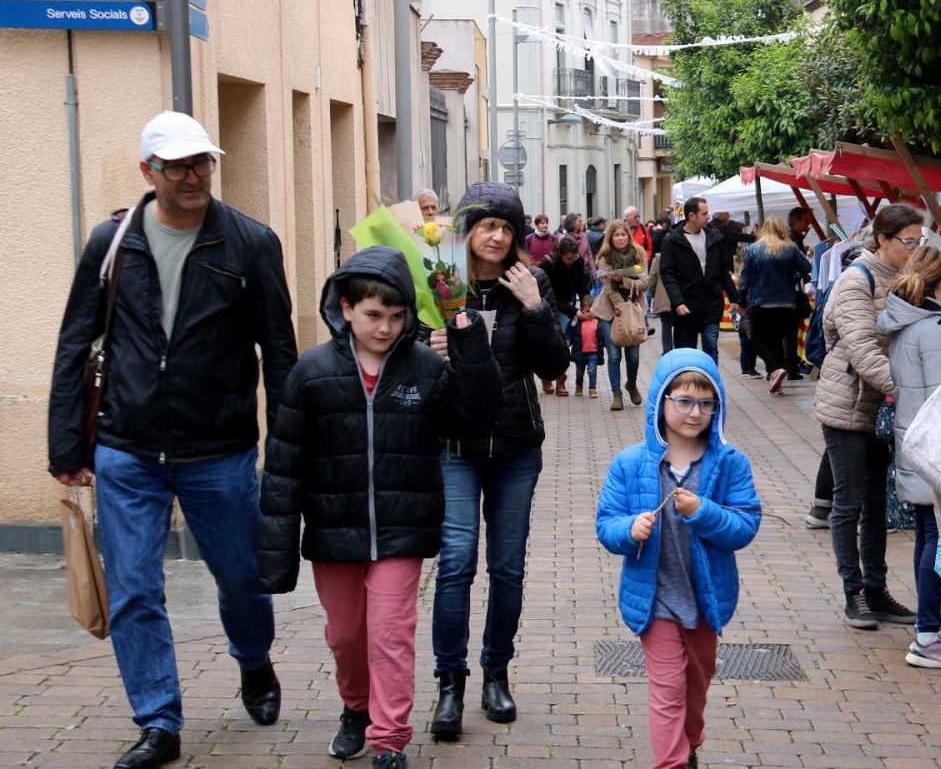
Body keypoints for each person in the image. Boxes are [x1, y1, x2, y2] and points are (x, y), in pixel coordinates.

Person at [48, 111, 296, 769]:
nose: (194, 176)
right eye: (179, 166)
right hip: (126, 446)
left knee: (243, 578)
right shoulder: (112, 242)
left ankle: (253, 659)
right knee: (133, 589)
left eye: (203, 163)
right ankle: (158, 720)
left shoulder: (248, 242)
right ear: (147, 172)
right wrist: (67, 444)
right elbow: (76, 341)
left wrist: (290, 446)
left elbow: (279, 349)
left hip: (218, 448)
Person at [258, 248, 502, 768]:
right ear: (345, 308)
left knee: (390, 635)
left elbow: (476, 418)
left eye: (396, 317)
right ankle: (355, 707)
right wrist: (275, 550)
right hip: (333, 531)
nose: (386, 328)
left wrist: (466, 335)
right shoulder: (312, 371)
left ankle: (389, 739)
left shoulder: (426, 368)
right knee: (346, 636)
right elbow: (283, 464)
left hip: (401, 529)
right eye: (373, 315)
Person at [423, 183, 572, 742]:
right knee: (457, 561)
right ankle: (449, 683)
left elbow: (555, 363)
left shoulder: (531, 284)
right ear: (467, 231)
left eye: (506, 228)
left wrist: (535, 308)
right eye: (486, 225)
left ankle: (495, 672)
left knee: (507, 565)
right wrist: (427, 344)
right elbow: (403, 353)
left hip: (514, 448)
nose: (496, 236)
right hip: (454, 446)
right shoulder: (439, 285)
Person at [595, 350, 761, 769]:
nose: (694, 412)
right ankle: (671, 762)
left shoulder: (729, 464)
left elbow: (744, 526)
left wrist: (702, 512)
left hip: (706, 601)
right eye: (683, 401)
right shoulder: (631, 463)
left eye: (706, 403)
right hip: (655, 601)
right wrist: (629, 529)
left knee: (695, 687)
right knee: (667, 690)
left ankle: (690, 743)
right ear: (661, 402)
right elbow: (606, 524)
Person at [816, 203, 923, 630]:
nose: (913, 250)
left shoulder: (907, 279)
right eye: (907, 242)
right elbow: (862, 349)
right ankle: (853, 592)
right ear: (882, 239)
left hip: (885, 408)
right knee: (849, 502)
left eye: (919, 242)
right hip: (848, 405)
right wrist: (909, 393)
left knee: (879, 502)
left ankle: (877, 590)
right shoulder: (854, 280)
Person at [874, 246, 941, 670]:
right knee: (938, 542)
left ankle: (930, 626)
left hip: (915, 444)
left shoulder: (907, 325)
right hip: (937, 449)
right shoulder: (936, 329)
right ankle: (928, 633)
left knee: (928, 538)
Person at [659, 196, 742, 359]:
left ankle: (710, 382)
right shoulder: (672, 240)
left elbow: (723, 270)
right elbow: (668, 274)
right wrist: (678, 302)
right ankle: (689, 382)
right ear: (691, 216)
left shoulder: (714, 237)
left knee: (711, 344)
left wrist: (734, 297)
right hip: (686, 306)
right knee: (686, 351)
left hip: (711, 303)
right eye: (704, 214)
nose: (708, 217)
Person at [738, 217, 811, 395]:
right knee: (778, 340)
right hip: (787, 302)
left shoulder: (754, 249)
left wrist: (741, 299)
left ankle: (775, 369)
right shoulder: (790, 248)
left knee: (757, 339)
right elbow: (806, 267)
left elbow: (745, 277)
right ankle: (775, 378)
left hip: (760, 301)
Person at [594, 219, 649, 411]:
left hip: (633, 309)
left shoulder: (638, 255)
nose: (620, 238)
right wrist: (619, 306)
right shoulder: (605, 257)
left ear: (628, 235)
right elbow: (607, 285)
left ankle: (631, 383)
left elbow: (644, 282)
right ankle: (616, 393)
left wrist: (624, 280)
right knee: (614, 355)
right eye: (616, 235)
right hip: (610, 311)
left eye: (623, 234)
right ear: (611, 237)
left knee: (633, 355)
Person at [539, 236, 590, 397]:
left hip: (567, 304)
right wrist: (573, 311)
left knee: (563, 343)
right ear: (560, 254)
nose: (572, 261)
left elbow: (582, 285)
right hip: (547, 303)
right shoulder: (548, 264)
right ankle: (546, 377)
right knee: (547, 343)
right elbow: (550, 293)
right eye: (568, 258)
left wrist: (585, 303)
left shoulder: (579, 261)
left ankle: (561, 379)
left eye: (574, 257)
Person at [575, 299, 603, 398]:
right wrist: (568, 340)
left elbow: (601, 336)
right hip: (580, 352)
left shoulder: (597, 323)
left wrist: (605, 343)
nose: (587, 314)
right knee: (579, 372)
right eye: (585, 311)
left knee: (592, 370)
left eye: (590, 311)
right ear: (581, 310)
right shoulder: (578, 322)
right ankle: (579, 385)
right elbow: (571, 331)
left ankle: (592, 388)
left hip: (593, 352)